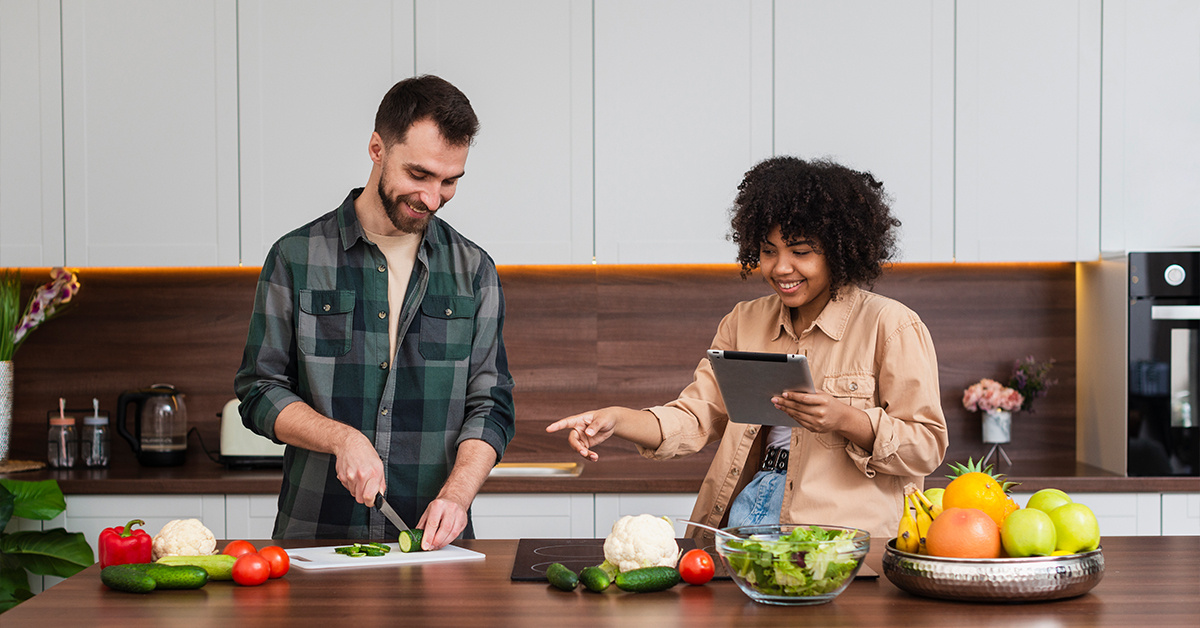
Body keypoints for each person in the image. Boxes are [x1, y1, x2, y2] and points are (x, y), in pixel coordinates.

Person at [547, 156, 947, 543]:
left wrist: (845, 419)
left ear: (840, 251)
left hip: (840, 539)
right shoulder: (744, 321)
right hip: (747, 515)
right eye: (768, 251)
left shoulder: (891, 325)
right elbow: (697, 416)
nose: (780, 268)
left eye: (801, 252)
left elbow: (926, 446)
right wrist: (618, 419)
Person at [235, 75, 515, 548]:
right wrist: (340, 438)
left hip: (433, 542)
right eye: (419, 175)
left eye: (450, 182)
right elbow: (258, 391)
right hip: (315, 536)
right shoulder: (296, 258)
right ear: (376, 148)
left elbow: (491, 406)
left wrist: (458, 494)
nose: (432, 199)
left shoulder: (474, 270)